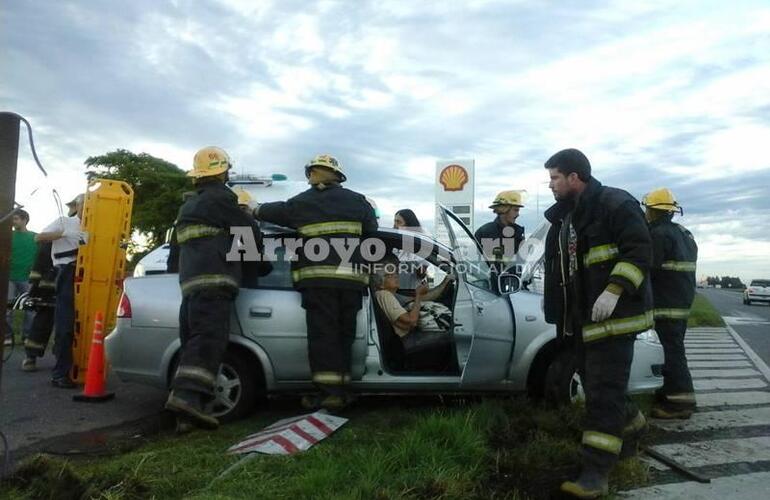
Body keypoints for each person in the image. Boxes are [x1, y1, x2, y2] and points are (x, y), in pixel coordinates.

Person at [542, 149, 653, 499]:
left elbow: (639, 251)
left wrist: (614, 289)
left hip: (615, 320)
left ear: (575, 177)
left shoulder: (614, 204)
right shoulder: (568, 218)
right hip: (584, 322)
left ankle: (595, 475)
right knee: (597, 385)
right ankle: (632, 425)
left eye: (555, 178)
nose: (551, 186)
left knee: (602, 398)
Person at [253, 154, 377, 411]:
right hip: (351, 284)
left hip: (318, 284)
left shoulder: (301, 203)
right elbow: (373, 233)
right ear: (338, 176)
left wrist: (253, 209)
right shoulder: (358, 202)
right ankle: (342, 390)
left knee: (324, 338)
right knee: (344, 337)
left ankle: (329, 393)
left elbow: (274, 211)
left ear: (312, 174)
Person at [164, 146, 261, 431]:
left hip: (190, 286)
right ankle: (184, 398)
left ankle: (187, 415)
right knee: (208, 342)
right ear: (222, 172)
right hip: (214, 283)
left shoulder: (188, 207)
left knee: (192, 343)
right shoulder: (223, 200)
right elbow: (249, 236)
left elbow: (174, 254)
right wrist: (259, 270)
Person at [642, 188, 698, 419]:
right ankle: (669, 395)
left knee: (671, 353)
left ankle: (679, 404)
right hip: (680, 302)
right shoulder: (685, 234)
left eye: (647, 209)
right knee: (673, 350)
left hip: (665, 304)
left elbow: (648, 268)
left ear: (653, 211)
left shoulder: (658, 235)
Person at [35, 194, 86, 388]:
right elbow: (38, 237)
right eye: (86, 203)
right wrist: (63, 234)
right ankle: (60, 373)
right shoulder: (65, 222)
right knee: (66, 324)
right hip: (67, 271)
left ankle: (83, 369)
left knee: (86, 324)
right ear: (78, 206)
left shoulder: (98, 225)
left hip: (89, 273)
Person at [21, 240, 57, 371]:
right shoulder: (57, 232)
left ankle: (62, 358)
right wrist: (35, 286)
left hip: (69, 286)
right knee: (42, 322)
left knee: (67, 326)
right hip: (48, 288)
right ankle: (31, 357)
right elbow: (41, 259)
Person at [5, 210, 37, 347]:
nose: (13, 221)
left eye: (16, 219)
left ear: (24, 220)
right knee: (7, 308)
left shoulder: (34, 237)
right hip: (9, 276)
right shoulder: (8, 235)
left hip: (27, 277)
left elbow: (40, 255)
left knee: (29, 308)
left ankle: (27, 336)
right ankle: (7, 337)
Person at [474, 190, 525, 272]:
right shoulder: (485, 233)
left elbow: (523, 262)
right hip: (491, 283)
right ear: (504, 209)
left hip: (514, 282)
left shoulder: (518, 234)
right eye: (515, 210)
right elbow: (476, 263)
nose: (518, 214)